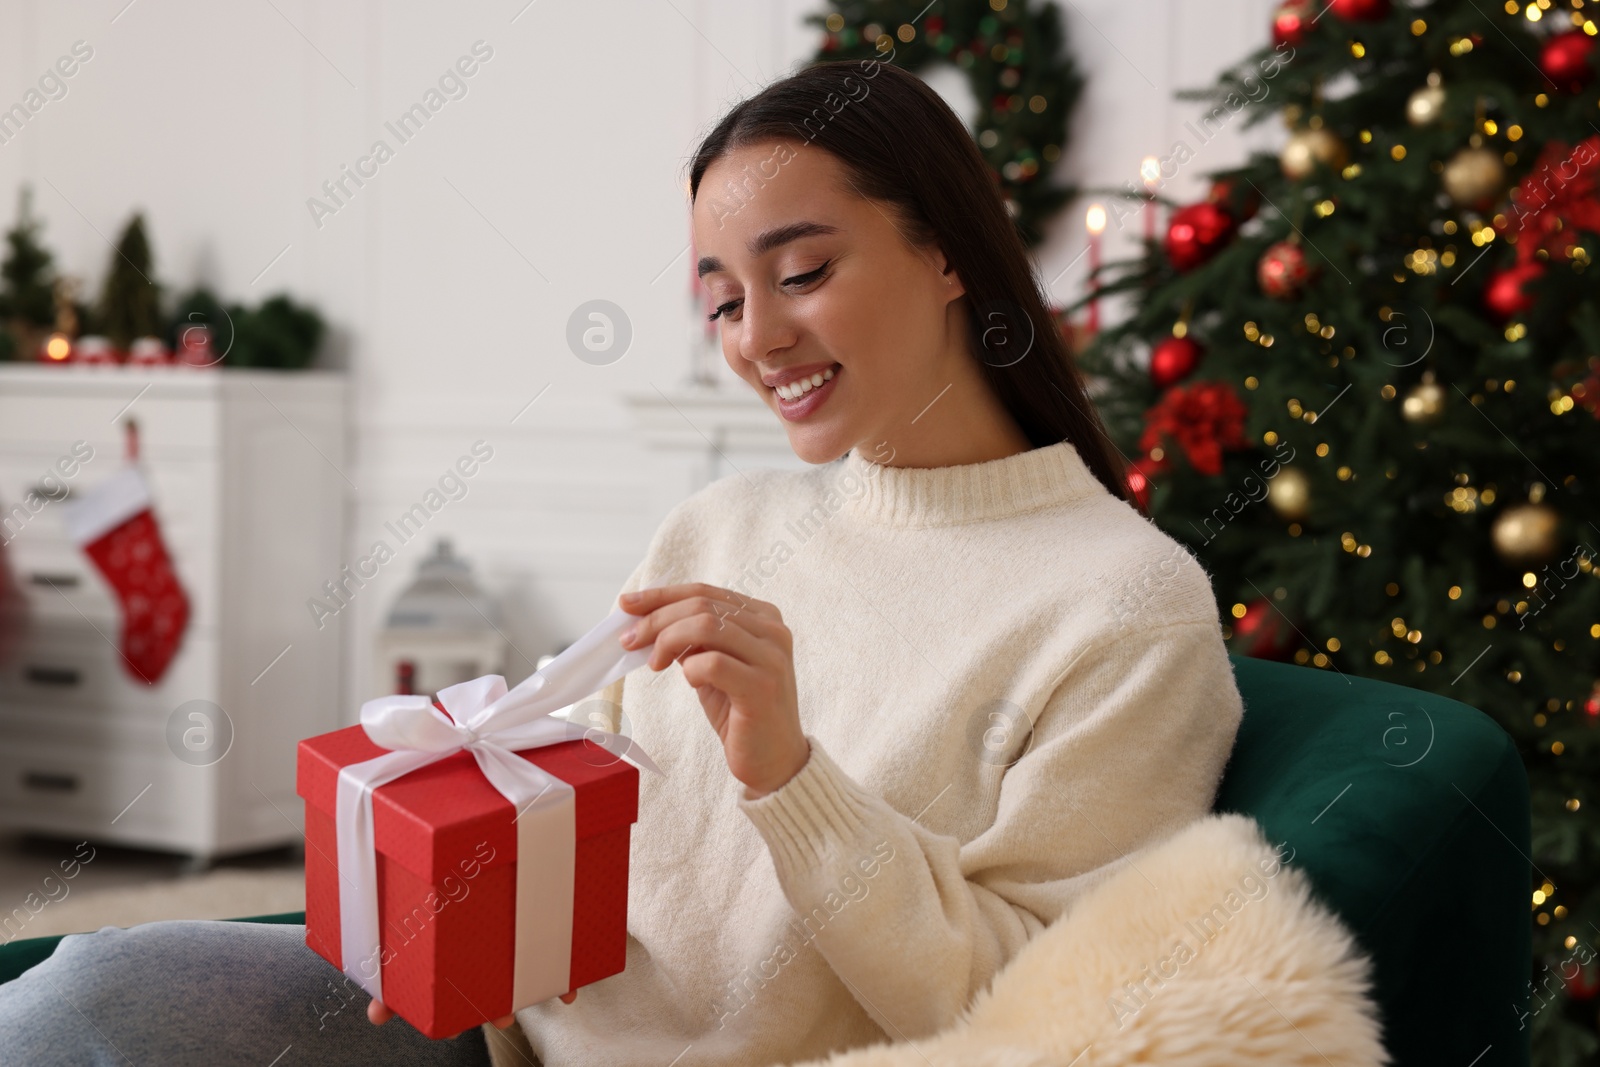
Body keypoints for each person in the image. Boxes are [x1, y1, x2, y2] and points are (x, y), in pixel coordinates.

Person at [0, 58, 1244, 1067]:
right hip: (494, 1033)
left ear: (948, 252)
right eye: (719, 300)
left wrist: (793, 776)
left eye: (802, 272)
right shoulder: (723, 526)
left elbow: (1033, 1011)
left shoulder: (1122, 606)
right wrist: (442, 917)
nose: (758, 338)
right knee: (97, 988)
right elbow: (575, 823)